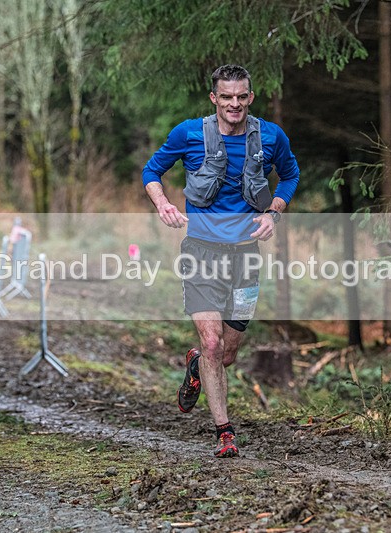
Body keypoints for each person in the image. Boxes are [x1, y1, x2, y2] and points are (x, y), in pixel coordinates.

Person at [142, 64, 300, 458]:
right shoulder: (189, 133)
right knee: (212, 342)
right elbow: (152, 170)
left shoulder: (270, 137)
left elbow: (292, 175)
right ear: (214, 98)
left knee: (226, 354)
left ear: (250, 97)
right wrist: (162, 203)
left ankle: (197, 364)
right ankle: (224, 433)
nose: (234, 104)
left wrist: (274, 211)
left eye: (241, 96)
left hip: (245, 257)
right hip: (200, 253)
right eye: (225, 97)